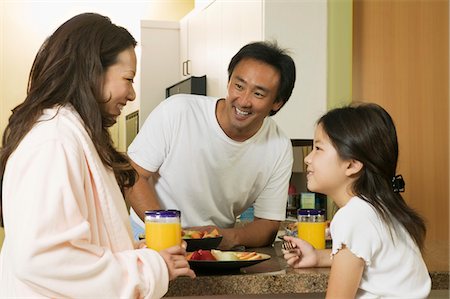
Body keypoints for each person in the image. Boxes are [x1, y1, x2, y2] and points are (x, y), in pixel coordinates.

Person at [0, 13, 194, 298]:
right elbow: (46, 259)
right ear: (92, 70)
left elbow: (78, 246)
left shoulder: (72, 136)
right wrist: (148, 269)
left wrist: (134, 256)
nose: (131, 95)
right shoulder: (54, 141)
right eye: (128, 79)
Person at [126, 41, 296, 249]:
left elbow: (268, 225)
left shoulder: (278, 146)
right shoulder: (177, 111)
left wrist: (228, 237)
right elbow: (132, 176)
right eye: (239, 86)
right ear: (228, 82)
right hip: (148, 235)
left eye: (258, 94)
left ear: (277, 102)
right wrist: (170, 233)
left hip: (214, 248)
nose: (243, 101)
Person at [283, 103, 431, 298]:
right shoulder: (378, 207)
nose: (308, 159)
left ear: (352, 165)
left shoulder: (353, 216)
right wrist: (317, 257)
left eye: (318, 148)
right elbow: (368, 257)